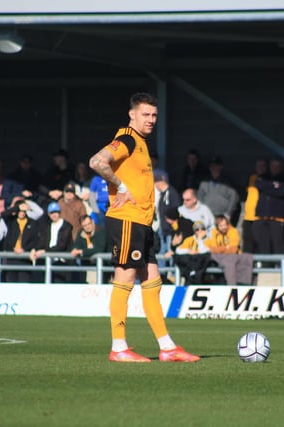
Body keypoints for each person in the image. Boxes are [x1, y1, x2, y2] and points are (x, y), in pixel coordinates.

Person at [89, 92, 199, 363]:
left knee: (152, 280)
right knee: (125, 278)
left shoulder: (140, 142)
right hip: (127, 219)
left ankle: (167, 347)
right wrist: (121, 186)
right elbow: (96, 161)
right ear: (132, 114)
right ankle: (118, 348)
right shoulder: (126, 139)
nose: (151, 120)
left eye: (154, 115)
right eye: (146, 115)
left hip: (142, 222)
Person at [252, 158, 284, 256]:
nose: (275, 169)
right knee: (263, 244)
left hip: (277, 219)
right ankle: (265, 267)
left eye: (277, 167)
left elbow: (283, 191)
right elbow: (259, 184)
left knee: (278, 244)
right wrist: (273, 187)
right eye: (273, 166)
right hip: (262, 217)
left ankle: (280, 268)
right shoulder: (263, 177)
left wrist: (268, 188)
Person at [205, 214, 253, 285]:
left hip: (233, 257)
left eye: (225, 225)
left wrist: (219, 249)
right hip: (219, 257)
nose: (224, 227)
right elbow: (212, 249)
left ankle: (232, 285)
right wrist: (226, 248)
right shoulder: (214, 232)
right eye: (221, 226)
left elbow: (233, 249)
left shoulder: (233, 231)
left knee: (229, 262)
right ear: (217, 226)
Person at [33, 201, 73, 283]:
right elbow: (43, 241)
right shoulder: (48, 226)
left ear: (59, 213)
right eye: (52, 213)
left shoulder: (66, 226)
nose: (54, 215)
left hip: (61, 261)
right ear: (48, 214)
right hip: (48, 260)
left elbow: (62, 245)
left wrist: (45, 251)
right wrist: (35, 249)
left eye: (56, 212)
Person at [1, 200, 41, 283]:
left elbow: (35, 240)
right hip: (11, 257)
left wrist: (24, 249)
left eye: (24, 211)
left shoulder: (32, 223)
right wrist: (17, 207)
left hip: (25, 258)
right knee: (11, 285)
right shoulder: (11, 221)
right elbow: (3, 215)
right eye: (20, 211)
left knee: (24, 285)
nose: (22, 213)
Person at [197, 156, 240, 223]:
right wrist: (202, 211)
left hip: (222, 216)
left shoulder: (227, 182)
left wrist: (228, 213)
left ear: (221, 166)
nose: (213, 167)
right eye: (211, 165)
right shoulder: (204, 182)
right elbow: (200, 197)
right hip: (207, 215)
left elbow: (234, 197)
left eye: (215, 165)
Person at [173, 220, 212, 284]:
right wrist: (189, 251)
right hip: (190, 263)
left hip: (202, 265)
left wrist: (200, 239)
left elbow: (203, 252)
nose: (200, 231)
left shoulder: (209, 240)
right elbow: (178, 250)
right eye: (197, 229)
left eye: (202, 229)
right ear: (194, 231)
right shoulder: (189, 239)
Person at [71, 214, 107, 284]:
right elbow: (77, 244)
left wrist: (82, 251)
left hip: (102, 266)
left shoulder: (100, 231)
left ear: (93, 222)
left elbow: (99, 249)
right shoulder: (81, 233)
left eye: (89, 224)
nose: (87, 227)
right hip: (87, 267)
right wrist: (75, 249)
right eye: (85, 225)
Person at [242, 159, 267, 253]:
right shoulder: (252, 177)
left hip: (260, 217)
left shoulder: (268, 180)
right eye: (258, 166)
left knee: (261, 244)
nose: (260, 168)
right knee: (247, 243)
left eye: (263, 166)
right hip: (249, 217)